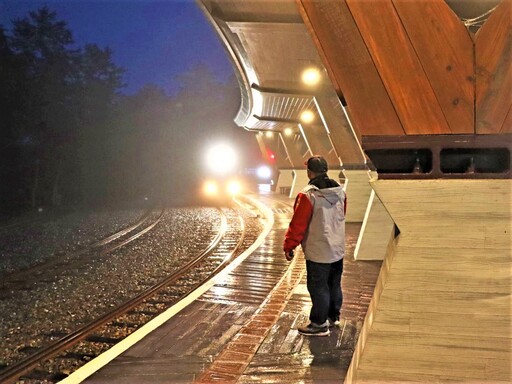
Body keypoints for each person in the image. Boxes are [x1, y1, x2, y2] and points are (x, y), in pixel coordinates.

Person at [283, 156, 347, 336]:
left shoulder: (308, 195)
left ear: (309, 172)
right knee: (334, 284)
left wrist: (290, 245)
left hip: (318, 250)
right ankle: (333, 317)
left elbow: (298, 224)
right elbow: (343, 214)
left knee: (318, 286)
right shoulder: (340, 192)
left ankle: (319, 323)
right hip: (337, 248)